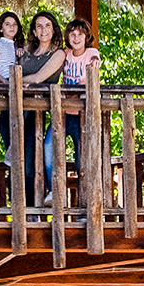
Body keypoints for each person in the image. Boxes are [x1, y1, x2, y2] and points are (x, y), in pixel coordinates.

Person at [17, 11, 66, 205]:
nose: (43, 30)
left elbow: (38, 78)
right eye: (39, 26)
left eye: (47, 26)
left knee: (31, 162)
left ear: (53, 30)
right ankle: (22, 205)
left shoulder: (58, 53)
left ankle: (32, 206)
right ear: (34, 31)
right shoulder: (27, 51)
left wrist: (13, 81)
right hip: (18, 108)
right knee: (18, 160)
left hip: (39, 112)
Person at [60, 18, 102, 174]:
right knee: (50, 148)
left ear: (86, 37)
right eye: (72, 34)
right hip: (64, 111)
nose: (76, 38)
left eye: (80, 34)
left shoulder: (91, 52)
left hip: (82, 113)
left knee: (82, 157)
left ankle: (84, 194)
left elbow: (95, 59)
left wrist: (95, 63)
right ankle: (53, 192)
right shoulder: (65, 54)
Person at [0, 11, 22, 162]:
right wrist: (2, 80)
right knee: (5, 118)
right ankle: (10, 149)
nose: (11, 27)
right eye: (7, 24)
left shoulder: (19, 46)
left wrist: (22, 54)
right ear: (1, 28)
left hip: (18, 81)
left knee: (17, 117)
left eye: (14, 24)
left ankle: (16, 148)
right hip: (4, 81)